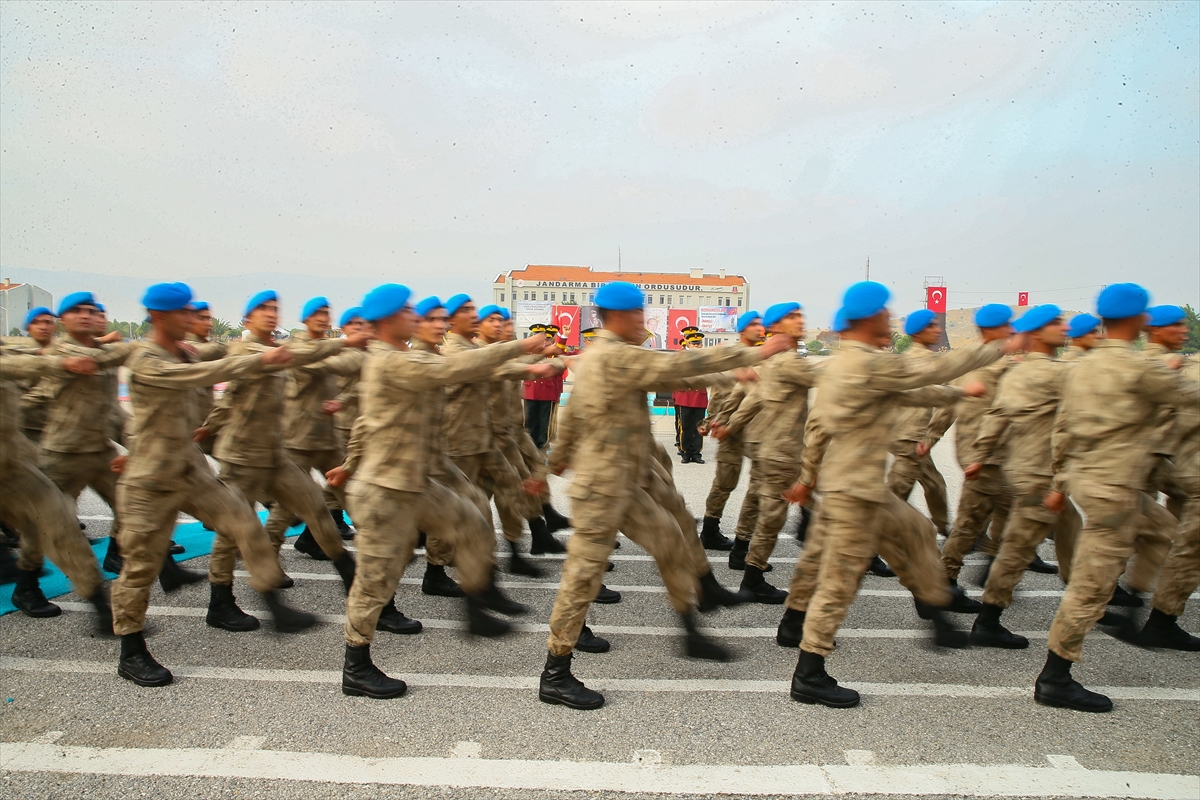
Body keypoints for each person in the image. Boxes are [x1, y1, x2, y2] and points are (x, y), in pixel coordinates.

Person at [536, 281, 791, 711]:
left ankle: (691, 631)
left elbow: (575, 410)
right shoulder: (616, 355)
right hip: (601, 491)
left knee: (673, 543)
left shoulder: (605, 355)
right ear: (619, 316)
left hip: (626, 484)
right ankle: (555, 674)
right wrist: (752, 355)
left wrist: (559, 458)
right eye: (639, 313)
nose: (644, 320)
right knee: (582, 578)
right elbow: (681, 368)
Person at [781, 282, 1021, 709]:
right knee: (840, 581)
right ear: (867, 318)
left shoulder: (845, 365)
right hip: (853, 493)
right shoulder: (867, 364)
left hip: (857, 486)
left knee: (918, 529)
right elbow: (928, 374)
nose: (889, 320)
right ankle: (809, 672)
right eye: (883, 313)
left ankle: (931, 606)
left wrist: (809, 476)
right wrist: (996, 347)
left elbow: (906, 391)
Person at [326, 284, 549, 700]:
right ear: (389, 319)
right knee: (376, 578)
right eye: (411, 310)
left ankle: (475, 606)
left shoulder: (410, 356)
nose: (419, 315)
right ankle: (356, 665)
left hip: (418, 480)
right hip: (386, 489)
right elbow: (451, 371)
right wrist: (520, 347)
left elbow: (367, 423)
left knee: (475, 523)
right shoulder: (391, 362)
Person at [111, 282, 318, 687]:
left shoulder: (185, 350)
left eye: (193, 312)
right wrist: (255, 362)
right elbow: (200, 374)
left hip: (190, 471)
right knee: (139, 568)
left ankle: (250, 605)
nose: (192, 319)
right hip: (151, 480)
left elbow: (198, 399)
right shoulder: (147, 359)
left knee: (245, 523)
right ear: (158, 316)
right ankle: (131, 651)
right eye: (183, 313)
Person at [1037, 285, 1199, 712]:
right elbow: (1190, 397)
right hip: (1114, 489)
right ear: (1141, 320)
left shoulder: (1081, 367)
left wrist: (1059, 483)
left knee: (1165, 530)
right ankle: (1055, 677)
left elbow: (1062, 429)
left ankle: (1132, 604)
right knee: (1091, 584)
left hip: (1090, 481)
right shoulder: (1138, 368)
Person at [197, 290, 367, 627]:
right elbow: (290, 358)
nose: (271, 314)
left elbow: (232, 397)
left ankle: (347, 571)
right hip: (243, 455)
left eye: (275, 309)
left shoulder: (278, 351)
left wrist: (208, 426)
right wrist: (346, 343)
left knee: (317, 507)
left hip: (275, 452)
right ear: (246, 320)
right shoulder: (249, 350)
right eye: (262, 309)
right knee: (234, 529)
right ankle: (221, 601)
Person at [964, 305, 1082, 648]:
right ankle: (989, 619)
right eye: (1055, 323)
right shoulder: (1056, 374)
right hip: (1041, 476)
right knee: (1017, 549)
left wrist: (980, 455)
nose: (1064, 327)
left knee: (1067, 530)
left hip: (1022, 471)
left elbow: (996, 417)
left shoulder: (1017, 374)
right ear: (1035, 334)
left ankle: (1088, 595)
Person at [714, 303, 819, 604]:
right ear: (774, 327)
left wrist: (730, 424)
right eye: (791, 317)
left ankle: (746, 560)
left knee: (761, 506)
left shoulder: (773, 363)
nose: (800, 321)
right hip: (781, 452)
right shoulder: (787, 362)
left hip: (768, 449)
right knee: (772, 518)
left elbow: (753, 399)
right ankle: (754, 578)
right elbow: (827, 375)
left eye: (800, 315)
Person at [263, 297, 366, 550]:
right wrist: (348, 346)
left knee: (351, 489)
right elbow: (325, 363)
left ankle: (380, 546)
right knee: (288, 506)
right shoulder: (298, 347)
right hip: (299, 437)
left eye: (326, 313)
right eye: (317, 313)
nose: (323, 317)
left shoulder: (334, 347)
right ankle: (266, 553)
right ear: (306, 318)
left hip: (326, 436)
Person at [1137, 304, 1199, 650]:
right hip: (1149, 466)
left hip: (1157, 467)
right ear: (1155, 329)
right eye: (1177, 325)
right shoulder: (1160, 367)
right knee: (1184, 542)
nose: (1185, 329)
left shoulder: (1168, 364)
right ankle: (1157, 617)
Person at [697, 310, 763, 551]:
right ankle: (710, 530)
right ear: (743, 329)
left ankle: (746, 539)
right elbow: (718, 393)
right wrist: (709, 421)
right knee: (725, 482)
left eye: (761, 324)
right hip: (731, 430)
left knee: (762, 481)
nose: (760, 328)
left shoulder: (762, 357)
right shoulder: (733, 356)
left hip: (757, 429)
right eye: (754, 324)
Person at [886, 310, 951, 536]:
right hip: (911, 440)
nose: (938, 329)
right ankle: (866, 548)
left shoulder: (902, 362)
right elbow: (949, 405)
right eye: (932, 326)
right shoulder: (930, 365)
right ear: (919, 332)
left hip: (904, 437)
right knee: (895, 495)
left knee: (934, 484)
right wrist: (930, 438)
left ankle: (946, 527)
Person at [522, 323, 563, 450]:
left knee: (544, 421)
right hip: (531, 390)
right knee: (530, 420)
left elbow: (561, 351)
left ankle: (542, 445)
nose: (544, 340)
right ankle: (529, 445)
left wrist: (563, 337)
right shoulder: (528, 352)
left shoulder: (551, 352)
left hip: (546, 391)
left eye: (547, 338)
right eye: (536, 335)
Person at [672, 333, 709, 464]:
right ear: (687, 343)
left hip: (699, 396)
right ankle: (685, 451)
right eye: (694, 343)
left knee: (698, 425)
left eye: (698, 343)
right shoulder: (680, 355)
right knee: (685, 425)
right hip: (685, 395)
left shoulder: (705, 357)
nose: (696, 345)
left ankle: (696, 452)